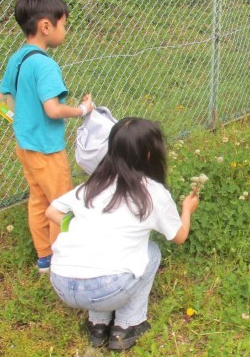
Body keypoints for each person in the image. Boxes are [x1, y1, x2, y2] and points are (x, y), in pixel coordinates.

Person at [45, 117, 200, 350]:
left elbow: (51, 211)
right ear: (150, 153)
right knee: (151, 252)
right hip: (106, 288)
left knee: (100, 255)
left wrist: (79, 225)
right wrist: (187, 209)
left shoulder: (93, 184)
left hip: (61, 281)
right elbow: (179, 237)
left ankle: (97, 325)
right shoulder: (153, 192)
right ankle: (127, 326)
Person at [0, 0, 94, 273]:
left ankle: (44, 257)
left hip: (25, 146)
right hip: (48, 150)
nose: (65, 30)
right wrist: (82, 110)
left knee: (38, 199)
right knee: (62, 203)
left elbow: (2, 100)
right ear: (46, 26)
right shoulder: (46, 65)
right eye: (64, 24)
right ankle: (63, 259)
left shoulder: (17, 59)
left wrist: (20, 121)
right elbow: (53, 109)